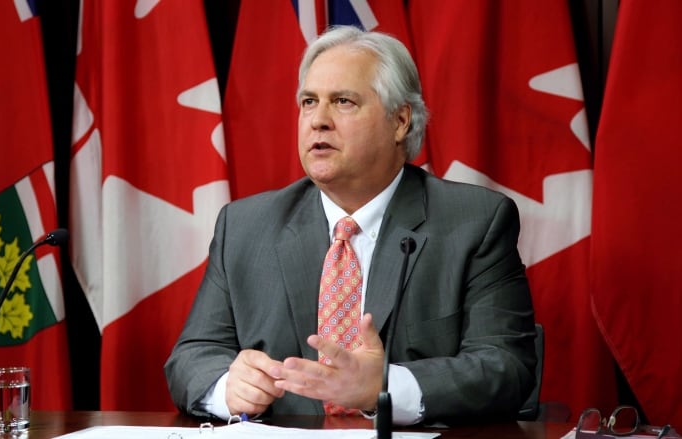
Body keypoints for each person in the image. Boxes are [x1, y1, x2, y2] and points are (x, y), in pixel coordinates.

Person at [164, 25, 536, 426]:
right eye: (309, 102)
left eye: (343, 101)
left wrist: (384, 386)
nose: (318, 121)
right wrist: (227, 388)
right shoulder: (245, 226)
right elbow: (192, 356)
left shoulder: (473, 222)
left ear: (400, 121)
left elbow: (506, 367)